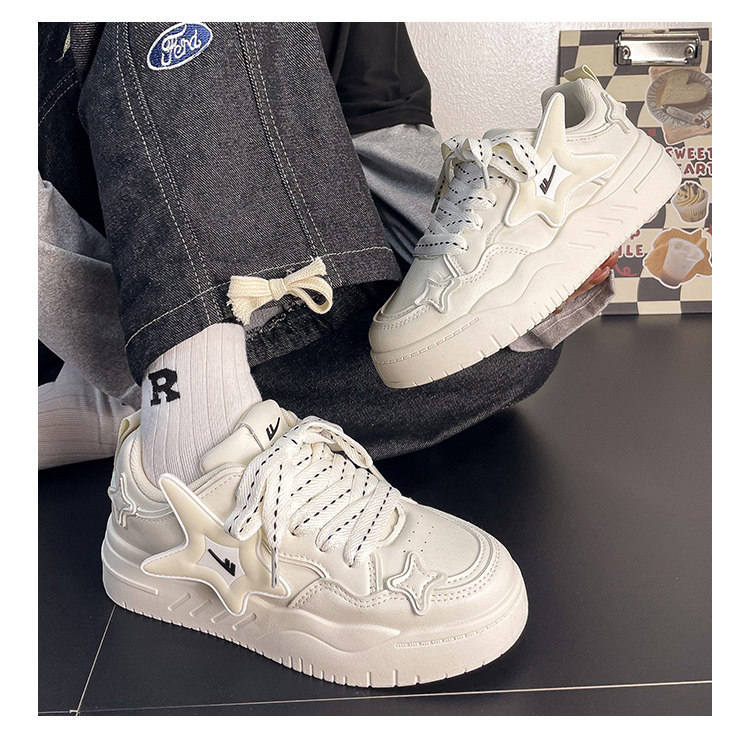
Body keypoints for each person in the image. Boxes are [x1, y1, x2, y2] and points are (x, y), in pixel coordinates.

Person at [38, 22, 627, 687]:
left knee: (508, 351)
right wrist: (126, 332)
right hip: (90, 272)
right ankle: (194, 441)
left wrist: (481, 254)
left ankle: (160, 410)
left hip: (267, 298)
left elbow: (381, 132)